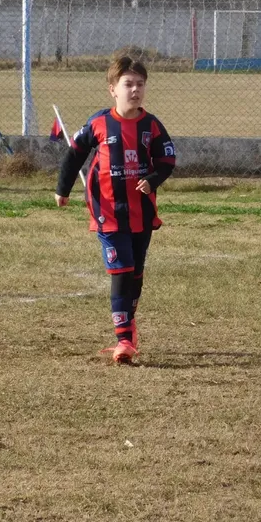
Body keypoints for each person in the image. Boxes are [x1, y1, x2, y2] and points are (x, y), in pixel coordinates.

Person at [54, 56, 176, 365]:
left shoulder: (151, 125)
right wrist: (62, 189)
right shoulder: (98, 123)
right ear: (113, 89)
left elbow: (167, 160)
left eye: (140, 84)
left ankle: (128, 326)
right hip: (107, 211)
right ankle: (123, 339)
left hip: (142, 213)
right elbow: (74, 155)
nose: (135, 90)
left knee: (135, 272)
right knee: (121, 270)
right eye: (128, 84)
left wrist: (153, 179)